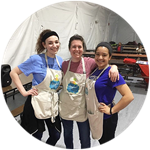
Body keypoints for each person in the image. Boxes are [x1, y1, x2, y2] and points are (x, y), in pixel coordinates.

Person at [59, 35, 119, 150]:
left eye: (79, 47)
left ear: (83, 48)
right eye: (74, 47)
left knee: (85, 138)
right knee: (67, 135)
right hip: (66, 107)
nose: (77, 49)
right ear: (69, 48)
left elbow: (104, 65)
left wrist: (114, 67)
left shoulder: (89, 62)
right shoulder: (64, 64)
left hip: (82, 108)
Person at [10, 29, 63, 146]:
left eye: (56, 42)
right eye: (50, 43)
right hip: (36, 101)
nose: (54, 45)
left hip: (52, 102)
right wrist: (24, 92)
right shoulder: (36, 59)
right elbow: (13, 73)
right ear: (44, 45)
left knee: (56, 135)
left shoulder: (60, 61)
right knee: (36, 134)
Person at [85, 42, 134, 145]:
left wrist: (112, 110)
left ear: (110, 57)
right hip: (94, 115)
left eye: (104, 55)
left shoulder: (112, 74)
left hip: (106, 118)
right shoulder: (95, 70)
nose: (100, 57)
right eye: (97, 54)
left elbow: (129, 96)